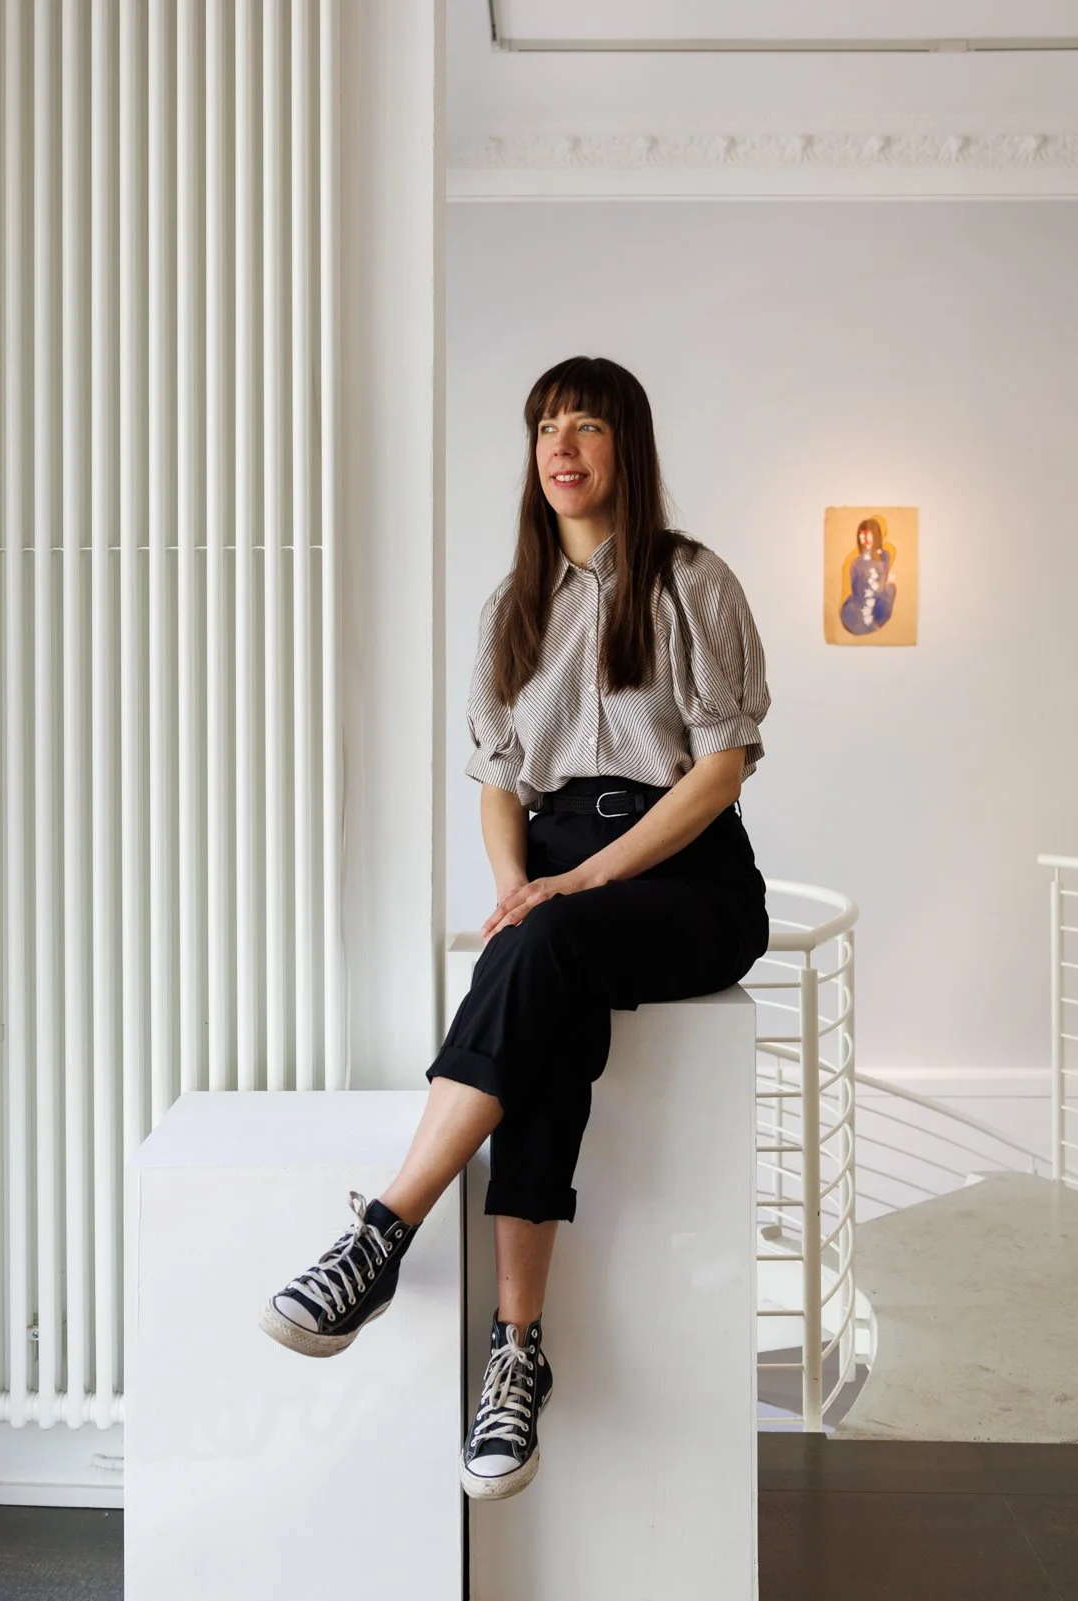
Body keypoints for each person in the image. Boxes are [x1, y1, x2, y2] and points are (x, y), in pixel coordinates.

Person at [258, 355, 773, 1500]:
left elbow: (721, 769)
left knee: (546, 946)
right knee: (541, 976)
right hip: (556, 878)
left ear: (627, 446)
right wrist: (516, 883)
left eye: (585, 425)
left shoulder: (691, 580)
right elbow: (500, 778)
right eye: (545, 427)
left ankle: (385, 1230)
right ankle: (516, 1351)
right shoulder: (514, 605)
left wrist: (577, 880)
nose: (561, 448)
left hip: (685, 876)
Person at [838, 516, 895, 635]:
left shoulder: (885, 555)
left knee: (891, 588)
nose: (864, 539)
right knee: (889, 589)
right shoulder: (857, 563)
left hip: (874, 605)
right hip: (857, 611)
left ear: (876, 535)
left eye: (868, 535)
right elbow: (857, 591)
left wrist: (885, 581)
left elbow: (880, 587)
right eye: (861, 536)